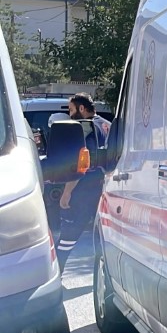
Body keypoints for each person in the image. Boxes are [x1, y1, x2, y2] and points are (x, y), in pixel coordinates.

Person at [56, 93, 108, 265]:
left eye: (71, 110)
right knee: (103, 234)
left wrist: (67, 192)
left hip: (84, 189)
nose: (70, 115)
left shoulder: (83, 127)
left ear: (82, 108)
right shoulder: (106, 125)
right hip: (104, 186)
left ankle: (57, 271)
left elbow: (81, 164)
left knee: (70, 231)